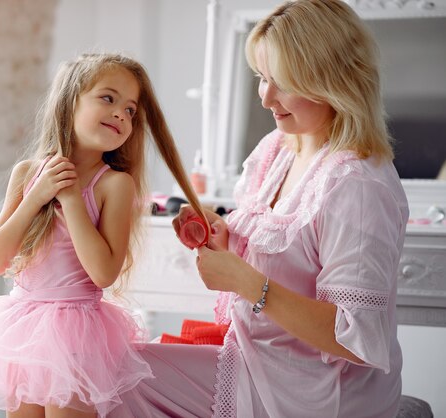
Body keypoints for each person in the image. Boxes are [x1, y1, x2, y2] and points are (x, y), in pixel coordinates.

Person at [108, 1, 408, 417]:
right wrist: (223, 235)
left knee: (113, 383)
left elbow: (354, 339)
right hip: (255, 358)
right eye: (261, 78)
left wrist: (251, 285)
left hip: (316, 393)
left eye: (282, 83)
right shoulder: (278, 149)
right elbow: (282, 250)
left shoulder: (357, 186)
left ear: (334, 81)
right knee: (101, 371)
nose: (266, 98)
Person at [0, 53, 207, 418]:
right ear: (70, 100)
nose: (121, 115)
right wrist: (36, 197)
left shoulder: (114, 184)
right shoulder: (28, 173)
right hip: (23, 330)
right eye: (108, 98)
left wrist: (71, 199)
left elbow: (104, 273)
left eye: (130, 110)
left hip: (76, 334)